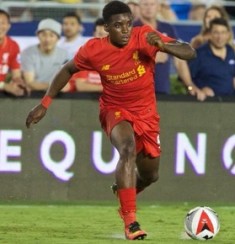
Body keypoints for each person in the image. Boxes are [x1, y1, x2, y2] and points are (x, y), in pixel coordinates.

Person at [25, 1, 195, 240]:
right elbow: (67, 70)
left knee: (150, 176)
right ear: (106, 27)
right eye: (118, 25)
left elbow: (190, 52)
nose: (125, 30)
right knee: (127, 150)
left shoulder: (145, 35)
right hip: (115, 110)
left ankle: (123, 189)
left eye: (128, 24)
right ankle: (131, 223)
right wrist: (45, 103)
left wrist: (165, 47)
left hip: (147, 114)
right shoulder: (93, 49)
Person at [133, 0, 203, 99]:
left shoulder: (167, 28)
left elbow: (179, 60)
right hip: (137, 91)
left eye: (152, 4)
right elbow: (123, 58)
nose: (149, 8)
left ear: (158, 7)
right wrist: (151, 57)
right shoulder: (132, 29)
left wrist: (190, 86)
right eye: (145, 4)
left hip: (162, 89)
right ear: (139, 7)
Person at [188, 18, 235, 98]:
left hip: (230, 104)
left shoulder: (232, 52)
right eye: (216, 32)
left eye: (223, 32)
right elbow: (186, 81)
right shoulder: (199, 54)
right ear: (209, 34)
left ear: (228, 34)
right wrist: (195, 89)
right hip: (207, 105)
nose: (220, 37)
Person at [21, 18, 69, 91]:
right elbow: (30, 83)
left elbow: (66, 85)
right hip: (33, 96)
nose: (47, 39)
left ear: (58, 38)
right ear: (38, 36)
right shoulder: (28, 53)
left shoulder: (65, 55)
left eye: (51, 35)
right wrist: (55, 86)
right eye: (44, 35)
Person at [0, 9, 28, 96]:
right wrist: (4, 86)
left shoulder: (13, 45)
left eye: (3, 23)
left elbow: (16, 74)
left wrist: (19, 83)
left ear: (8, 26)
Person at [74, 18, 107, 92]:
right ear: (94, 34)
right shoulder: (83, 56)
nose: (103, 39)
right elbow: (80, 86)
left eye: (107, 35)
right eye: (100, 34)